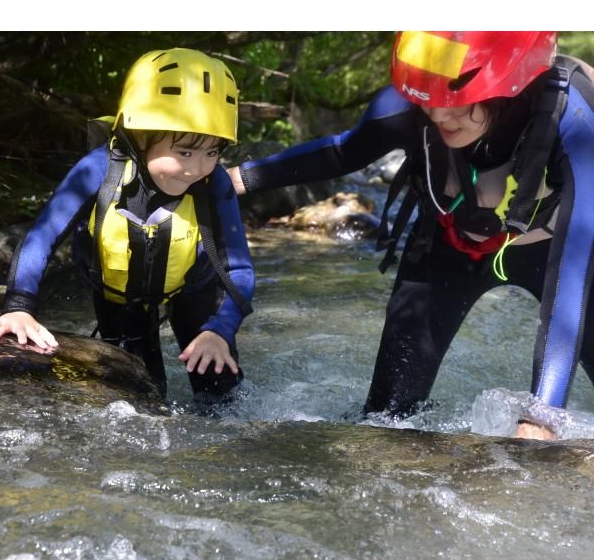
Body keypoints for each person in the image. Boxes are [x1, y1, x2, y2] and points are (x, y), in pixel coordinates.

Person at [227, 31, 594, 440]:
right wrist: (240, 178)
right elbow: (342, 152)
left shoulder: (575, 121)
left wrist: (542, 415)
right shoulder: (408, 103)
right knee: (385, 422)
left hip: (559, 255)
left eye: (454, 104)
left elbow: (574, 266)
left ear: (512, 84)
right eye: (427, 102)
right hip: (448, 248)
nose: (437, 116)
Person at [0, 48, 254, 404]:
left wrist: (220, 329)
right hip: (119, 296)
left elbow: (241, 269)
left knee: (222, 395)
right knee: (139, 399)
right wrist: (18, 306)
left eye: (213, 152)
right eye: (185, 152)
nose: (197, 168)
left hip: (194, 290)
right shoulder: (99, 169)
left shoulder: (213, 184)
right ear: (140, 135)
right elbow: (41, 237)